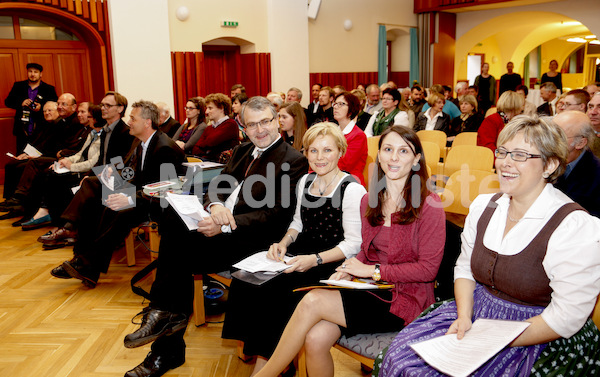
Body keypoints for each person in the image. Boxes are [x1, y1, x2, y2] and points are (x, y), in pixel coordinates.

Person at [378, 115, 600, 376]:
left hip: (537, 333)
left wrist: (493, 339)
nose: (505, 162)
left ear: (550, 165)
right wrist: (464, 316)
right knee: (399, 358)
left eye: (520, 155)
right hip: (476, 312)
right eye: (502, 151)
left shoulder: (574, 226)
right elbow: (464, 269)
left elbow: (566, 318)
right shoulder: (484, 206)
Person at [122, 97, 309, 377]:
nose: (259, 130)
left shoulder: (293, 160)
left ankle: (164, 332)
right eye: (252, 124)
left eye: (266, 122)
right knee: (173, 220)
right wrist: (215, 206)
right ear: (243, 127)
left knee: (176, 255)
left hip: (251, 240)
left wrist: (224, 225)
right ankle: (164, 322)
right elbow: (217, 187)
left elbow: (276, 215)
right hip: (219, 229)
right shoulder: (242, 151)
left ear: (277, 121)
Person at [254, 125, 446, 377]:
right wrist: (347, 269)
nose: (394, 158)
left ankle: (264, 376)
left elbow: (427, 270)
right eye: (388, 149)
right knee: (314, 339)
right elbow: (366, 250)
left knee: (312, 300)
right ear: (379, 155)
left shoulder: (430, 205)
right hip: (371, 289)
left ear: (417, 159)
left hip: (405, 299)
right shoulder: (371, 200)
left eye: (403, 151)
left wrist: (371, 271)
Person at [222, 122, 366, 375]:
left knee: (276, 294)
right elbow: (297, 223)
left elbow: (353, 244)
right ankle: (268, 356)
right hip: (299, 254)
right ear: (306, 153)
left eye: (327, 150)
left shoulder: (352, 189)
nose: (320, 158)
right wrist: (283, 242)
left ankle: (266, 366)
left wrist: (314, 259)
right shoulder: (305, 182)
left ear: (340, 152)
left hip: (329, 261)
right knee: (246, 283)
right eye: (313, 151)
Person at [49, 100, 185, 288]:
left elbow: (165, 188)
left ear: (147, 122)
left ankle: (86, 264)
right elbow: (132, 171)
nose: (129, 121)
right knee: (92, 184)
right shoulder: (140, 141)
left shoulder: (164, 148)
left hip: (155, 201)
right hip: (139, 191)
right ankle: (77, 246)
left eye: (132, 118)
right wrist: (115, 173)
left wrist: (128, 197)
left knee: (114, 208)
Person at [38, 91, 136, 249]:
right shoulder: (105, 131)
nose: (103, 108)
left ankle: (69, 230)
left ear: (120, 109)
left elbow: (120, 164)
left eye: (107, 105)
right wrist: (91, 175)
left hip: (118, 180)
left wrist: (95, 177)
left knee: (86, 186)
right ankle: (69, 229)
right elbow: (100, 160)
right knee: (60, 180)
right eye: (102, 105)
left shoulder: (125, 132)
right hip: (103, 176)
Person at [21, 104, 106, 230]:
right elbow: (80, 154)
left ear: (96, 119)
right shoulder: (92, 133)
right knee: (50, 172)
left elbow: (92, 163)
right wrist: (66, 160)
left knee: (56, 178)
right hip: (81, 167)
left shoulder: (103, 136)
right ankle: (42, 212)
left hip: (87, 171)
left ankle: (63, 222)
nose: (87, 119)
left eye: (89, 116)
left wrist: (71, 166)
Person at [553, 111, 600, 217]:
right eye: (549, 133)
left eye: (559, 135)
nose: (550, 139)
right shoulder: (541, 161)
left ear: (580, 143)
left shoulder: (596, 175)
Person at [4, 62, 58, 152]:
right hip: (22, 128)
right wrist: (21, 102)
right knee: (21, 156)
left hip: (41, 128)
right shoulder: (18, 86)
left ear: (41, 74)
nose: (32, 74)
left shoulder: (49, 89)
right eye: (30, 71)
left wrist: (41, 107)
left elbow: (55, 106)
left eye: (35, 72)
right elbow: (7, 102)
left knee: (38, 155)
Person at [333, 92, 368, 186]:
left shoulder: (358, 135)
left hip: (350, 182)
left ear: (351, 109)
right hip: (332, 178)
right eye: (335, 103)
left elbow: (344, 165)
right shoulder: (333, 132)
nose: (335, 107)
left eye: (341, 104)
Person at [191, 93, 239, 162]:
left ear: (221, 108)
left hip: (223, 165)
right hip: (209, 163)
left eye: (210, 108)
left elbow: (211, 142)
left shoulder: (231, 124)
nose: (207, 112)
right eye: (207, 108)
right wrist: (207, 149)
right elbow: (195, 149)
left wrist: (205, 149)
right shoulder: (209, 128)